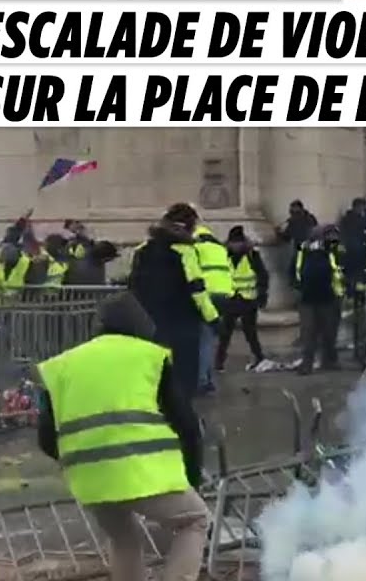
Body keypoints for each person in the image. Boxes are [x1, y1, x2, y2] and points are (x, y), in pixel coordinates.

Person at [35, 292, 208, 581]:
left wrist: (81, 456)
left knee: (123, 538)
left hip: (90, 479)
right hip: (141, 471)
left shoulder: (62, 366)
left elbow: (46, 438)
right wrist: (191, 478)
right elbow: (186, 425)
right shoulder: (149, 357)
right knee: (195, 519)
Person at [128, 205, 219, 397]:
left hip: (148, 319)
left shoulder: (143, 249)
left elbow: (133, 283)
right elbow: (197, 289)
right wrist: (212, 318)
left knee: (153, 375)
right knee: (182, 380)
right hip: (182, 321)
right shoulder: (185, 251)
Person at [189, 213, 232, 394]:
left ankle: (202, 381)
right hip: (224, 293)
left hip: (206, 293)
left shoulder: (195, 247)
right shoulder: (219, 247)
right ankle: (206, 378)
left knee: (202, 340)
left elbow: (192, 273)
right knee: (209, 339)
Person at [217, 226, 270, 372]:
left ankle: (259, 357)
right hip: (231, 299)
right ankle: (219, 361)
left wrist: (262, 295)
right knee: (225, 333)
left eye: (237, 243)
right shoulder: (223, 255)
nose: (234, 246)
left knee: (250, 332)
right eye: (232, 243)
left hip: (248, 299)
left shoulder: (252, 255)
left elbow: (262, 275)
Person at [294, 224, 344, 374]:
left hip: (328, 296)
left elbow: (338, 269)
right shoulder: (303, 251)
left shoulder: (332, 251)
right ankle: (307, 363)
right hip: (308, 298)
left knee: (329, 332)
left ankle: (329, 360)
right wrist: (298, 285)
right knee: (309, 333)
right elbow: (295, 269)